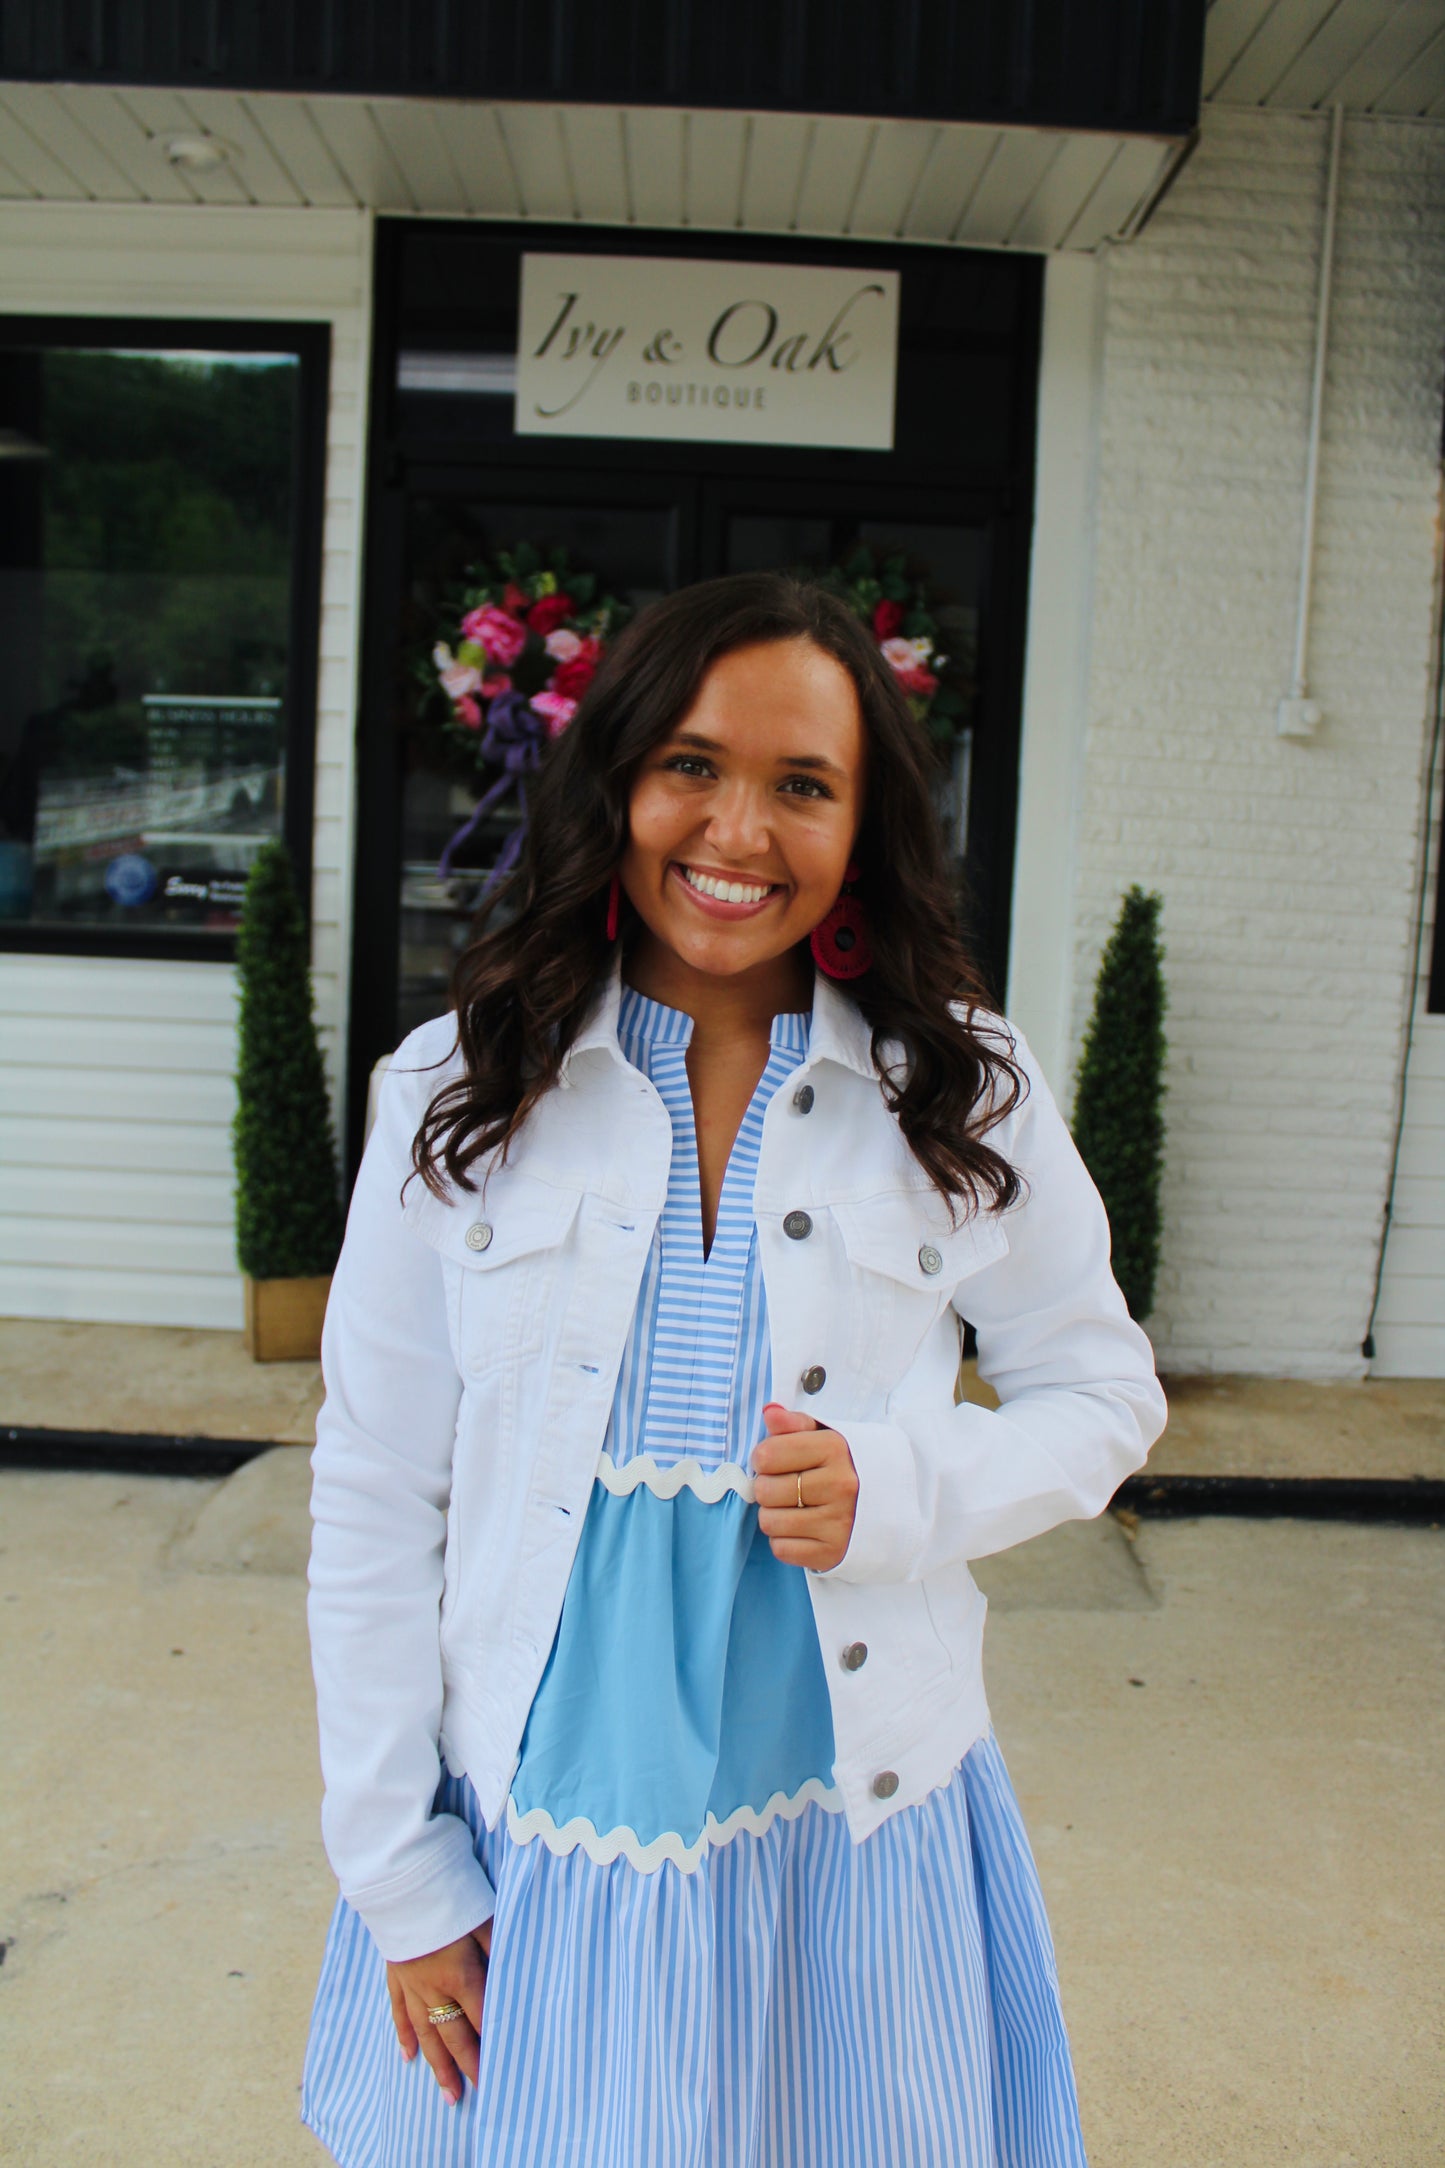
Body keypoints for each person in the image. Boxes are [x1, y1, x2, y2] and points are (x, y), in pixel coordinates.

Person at [301, 570, 1167, 2167]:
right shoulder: (457, 1088)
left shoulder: (960, 1089)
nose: (737, 833)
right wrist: (396, 1873)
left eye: (802, 786)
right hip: (551, 1823)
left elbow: (1100, 1388)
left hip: (847, 1818)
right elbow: (371, 1490)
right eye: (692, 765)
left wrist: (908, 1489)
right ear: (618, 780)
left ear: (864, 828)